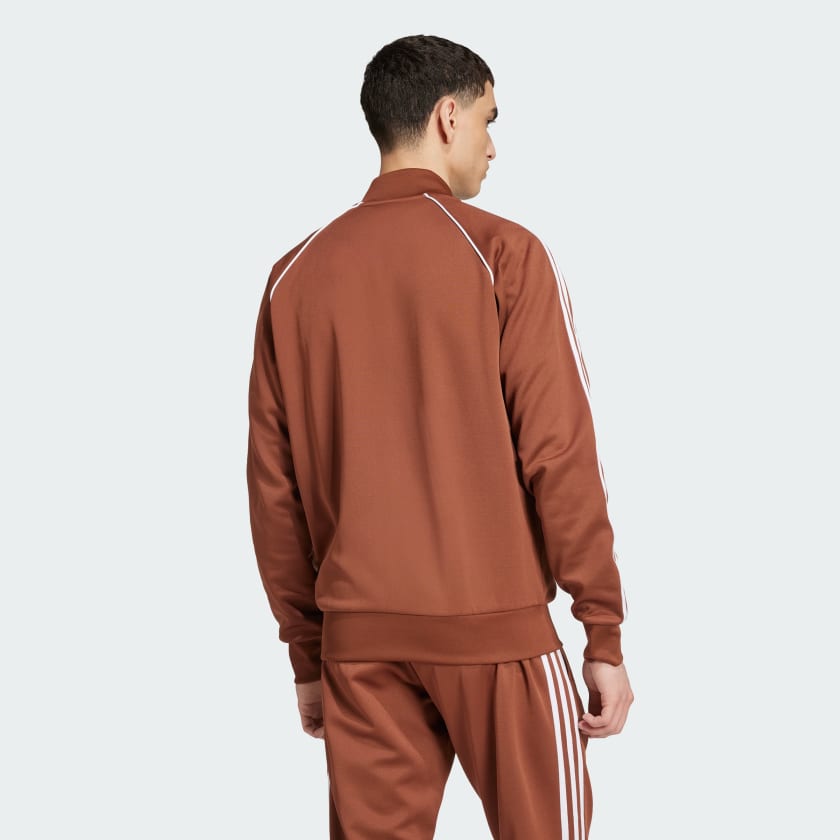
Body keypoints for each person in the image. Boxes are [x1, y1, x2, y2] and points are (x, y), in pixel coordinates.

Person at [246, 33, 633, 839]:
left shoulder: (294, 275)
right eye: (489, 120)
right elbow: (560, 454)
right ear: (447, 117)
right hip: (498, 635)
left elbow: (273, 492)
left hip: (360, 646)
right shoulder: (503, 253)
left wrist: (308, 654)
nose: (493, 147)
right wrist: (602, 629)